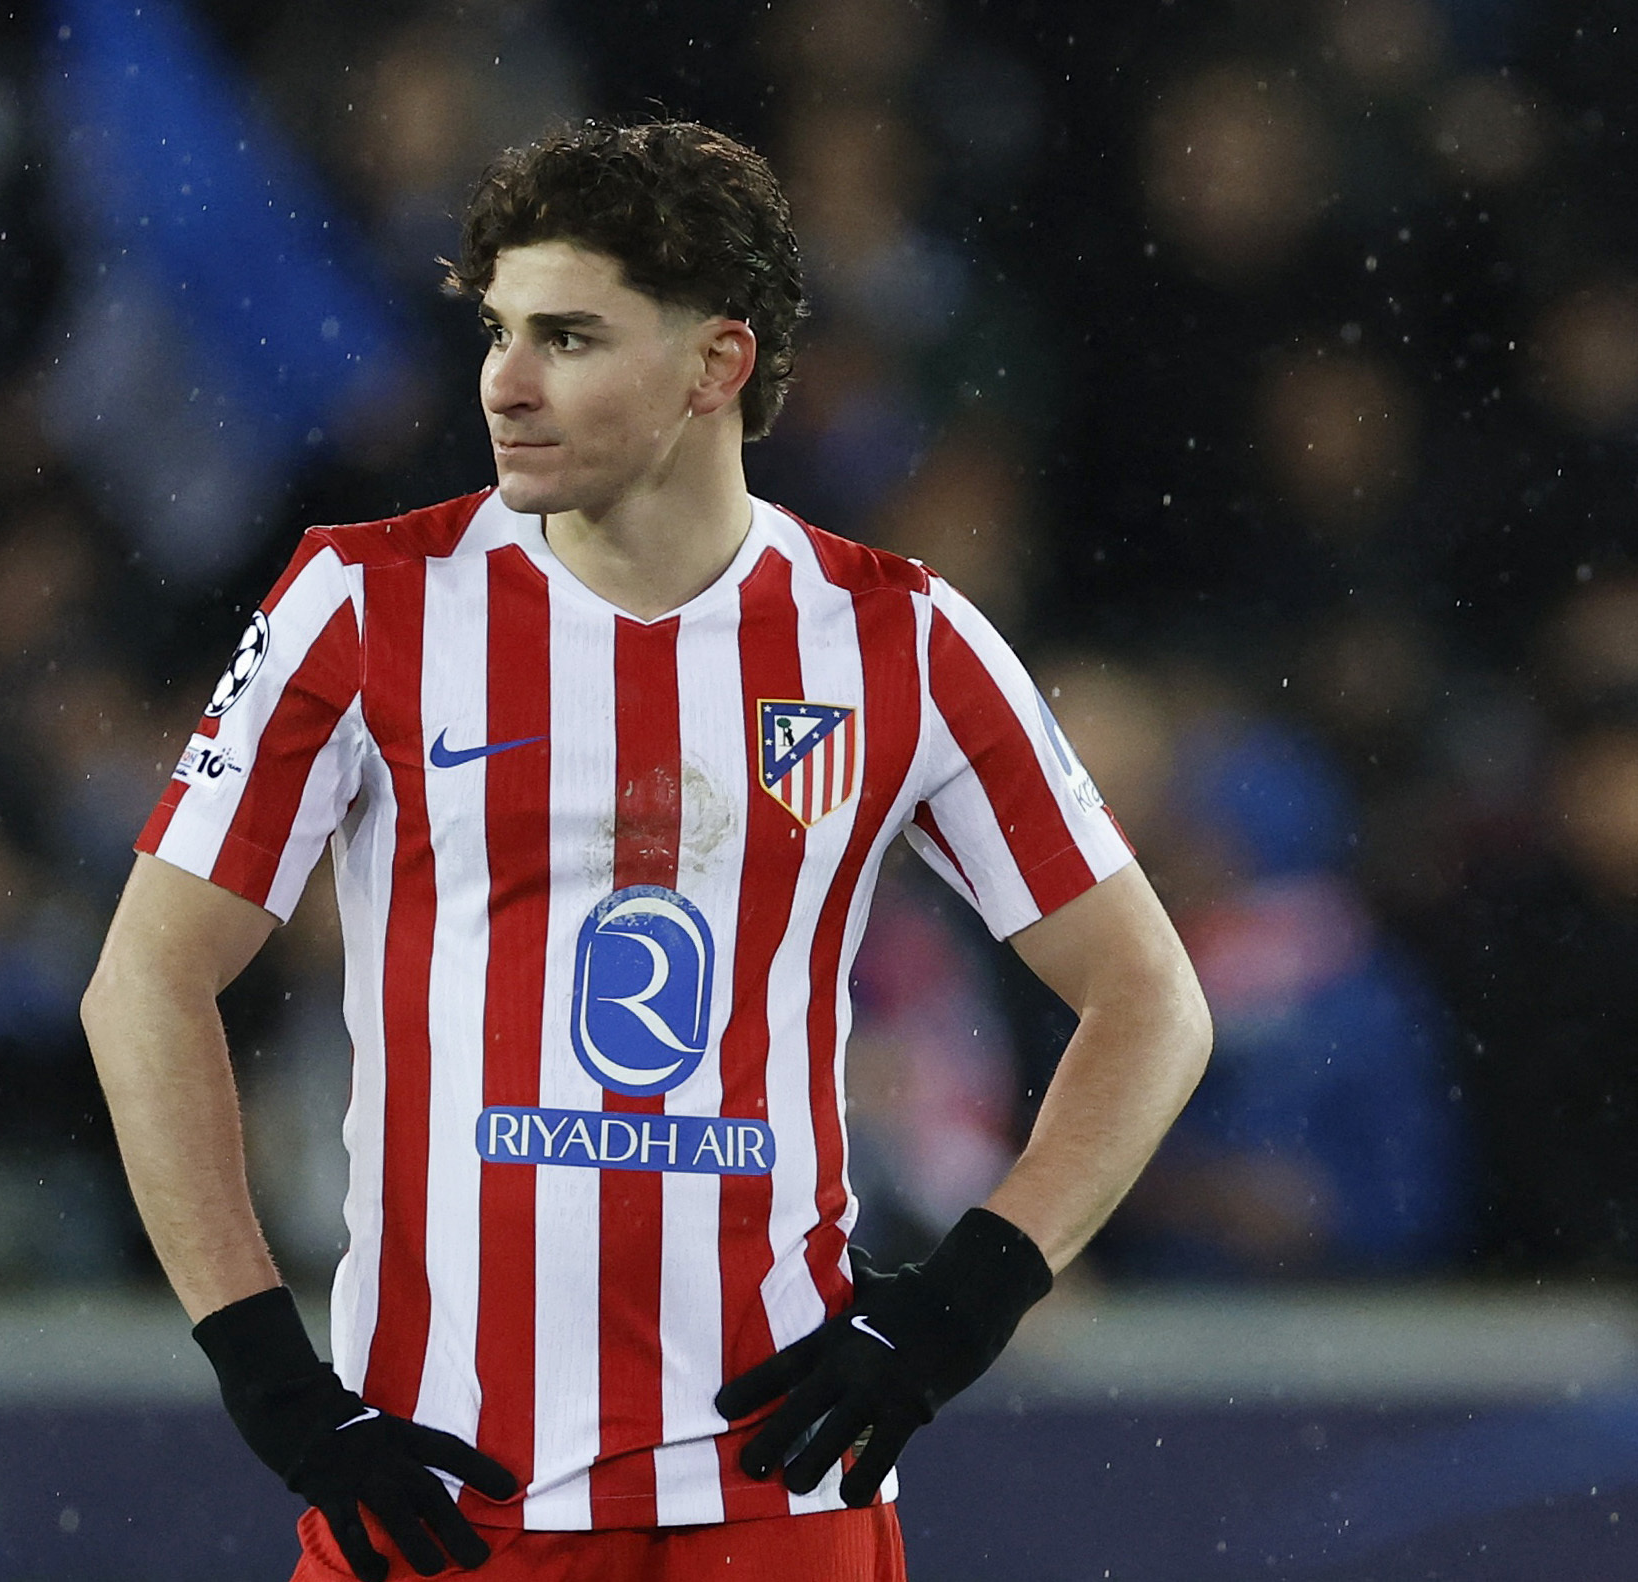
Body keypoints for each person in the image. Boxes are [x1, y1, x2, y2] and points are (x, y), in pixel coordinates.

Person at [80, 121, 1211, 1582]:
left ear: (716, 367)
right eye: (497, 330)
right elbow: (145, 981)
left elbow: (1151, 999)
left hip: (777, 1499)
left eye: (568, 336)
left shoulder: (897, 638)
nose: (505, 378)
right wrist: (272, 1380)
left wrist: (957, 1309)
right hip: (447, 1492)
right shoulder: (363, 604)